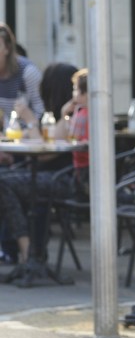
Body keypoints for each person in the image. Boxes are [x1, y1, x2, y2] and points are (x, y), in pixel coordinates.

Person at [0, 65, 87, 269]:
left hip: (65, 179)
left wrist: (30, 120)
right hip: (52, 174)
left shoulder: (74, 116)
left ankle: (26, 250)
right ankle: (20, 248)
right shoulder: (65, 114)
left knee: (4, 183)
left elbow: (45, 153)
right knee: (7, 179)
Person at [0, 22, 44, 140]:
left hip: (29, 141)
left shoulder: (28, 72)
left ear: (7, 48)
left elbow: (42, 112)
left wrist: (25, 132)